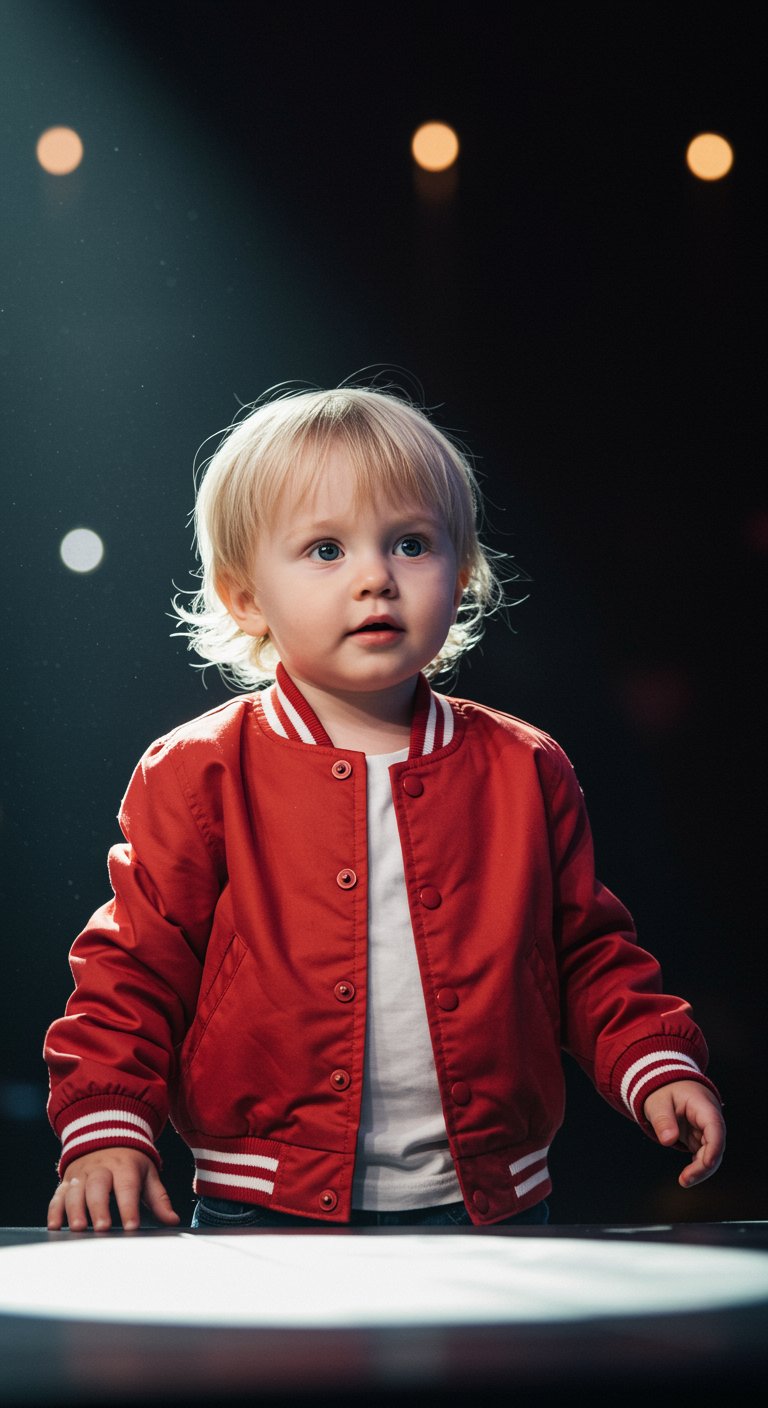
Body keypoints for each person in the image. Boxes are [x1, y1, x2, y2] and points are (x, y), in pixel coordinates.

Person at [45, 386, 725, 1233]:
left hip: (489, 1210)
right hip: (263, 1206)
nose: (376, 578)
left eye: (411, 544)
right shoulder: (197, 772)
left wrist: (656, 1063)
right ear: (245, 595)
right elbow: (135, 969)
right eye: (326, 549)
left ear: (461, 572)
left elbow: (584, 953)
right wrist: (107, 1125)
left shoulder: (526, 767)